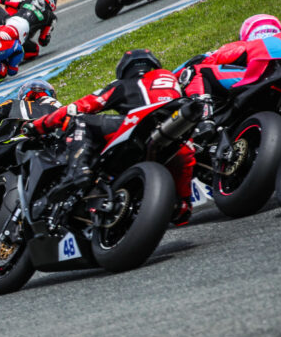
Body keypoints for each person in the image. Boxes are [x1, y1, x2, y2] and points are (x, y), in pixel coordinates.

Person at [26, 49, 197, 225]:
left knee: (81, 120)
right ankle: (181, 203)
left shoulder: (123, 84)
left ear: (125, 69)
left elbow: (80, 106)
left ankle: (77, 171)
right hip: (182, 141)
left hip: (143, 127)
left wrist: (38, 126)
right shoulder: (172, 79)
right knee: (182, 208)